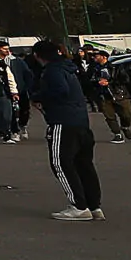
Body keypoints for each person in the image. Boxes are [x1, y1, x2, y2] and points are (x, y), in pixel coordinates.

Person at [29, 39, 102, 221]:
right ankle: (93, 205)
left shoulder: (52, 72)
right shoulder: (70, 69)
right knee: (84, 164)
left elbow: (59, 91)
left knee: (61, 163)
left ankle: (78, 205)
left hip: (63, 122)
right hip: (80, 121)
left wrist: (39, 97)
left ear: (38, 56)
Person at [80, 45, 130, 144]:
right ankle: (117, 134)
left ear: (104, 57)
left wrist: (109, 82)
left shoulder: (115, 67)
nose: (94, 58)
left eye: (97, 56)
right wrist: (97, 81)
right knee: (109, 116)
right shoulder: (94, 68)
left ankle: (125, 127)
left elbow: (125, 79)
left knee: (126, 114)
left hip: (118, 94)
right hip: (103, 95)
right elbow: (88, 80)